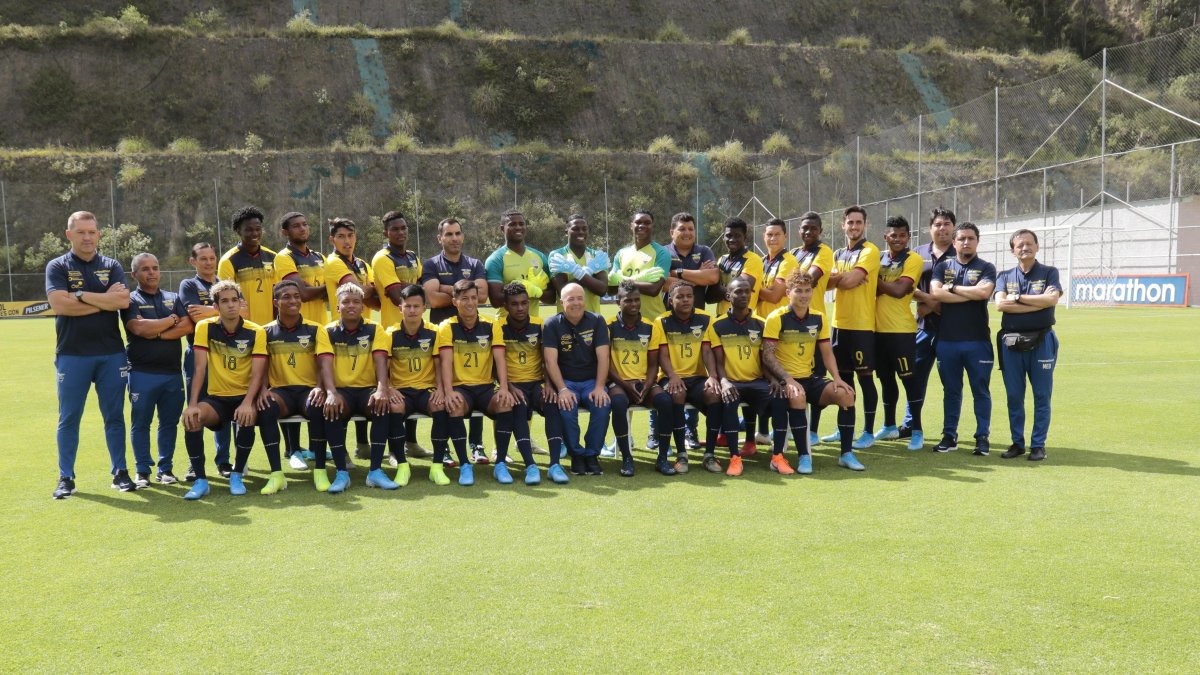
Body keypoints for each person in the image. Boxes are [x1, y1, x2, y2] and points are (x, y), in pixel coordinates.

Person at [45, 211, 133, 498]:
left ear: (98, 234)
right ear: (69, 234)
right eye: (80, 232)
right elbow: (60, 305)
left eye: (91, 232)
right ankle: (66, 477)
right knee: (69, 417)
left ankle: (120, 472)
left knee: (114, 416)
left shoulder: (111, 265)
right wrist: (103, 301)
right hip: (72, 354)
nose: (87, 237)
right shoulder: (57, 266)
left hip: (111, 355)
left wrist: (81, 295)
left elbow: (122, 300)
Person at [181, 280, 280, 499]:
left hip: (245, 396)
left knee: (246, 416)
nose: (231, 305)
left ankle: (236, 475)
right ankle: (201, 480)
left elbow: (257, 373)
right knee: (192, 419)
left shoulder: (256, 331)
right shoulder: (204, 327)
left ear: (241, 303)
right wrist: (192, 405)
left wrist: (248, 402)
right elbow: (199, 369)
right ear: (215, 306)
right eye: (224, 301)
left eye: (235, 300)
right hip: (217, 399)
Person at [761, 269, 858, 473]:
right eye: (798, 291)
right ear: (788, 293)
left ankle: (846, 454)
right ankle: (804, 456)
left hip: (809, 378)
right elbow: (767, 355)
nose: (804, 295)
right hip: (784, 380)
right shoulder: (776, 317)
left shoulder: (818, 317)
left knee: (847, 394)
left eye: (807, 290)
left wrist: (837, 378)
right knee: (797, 397)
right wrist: (787, 379)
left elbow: (827, 353)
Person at [421, 217, 490, 465]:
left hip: (473, 332)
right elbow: (433, 299)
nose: (454, 238)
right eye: (448, 234)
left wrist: (447, 288)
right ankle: (447, 448)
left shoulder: (475, 263)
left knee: (477, 379)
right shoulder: (430, 264)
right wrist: (462, 290)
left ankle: (477, 444)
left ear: (463, 236)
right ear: (440, 238)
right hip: (443, 333)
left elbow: (482, 295)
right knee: (448, 391)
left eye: (457, 233)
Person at [316, 283, 395, 493]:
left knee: (382, 405)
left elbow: (381, 361)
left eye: (356, 302)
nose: (351, 305)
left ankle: (376, 471)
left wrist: (381, 389)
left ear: (362, 307)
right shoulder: (327, 331)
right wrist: (331, 392)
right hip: (341, 390)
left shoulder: (374, 329)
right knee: (331, 408)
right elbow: (324, 364)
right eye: (346, 301)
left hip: (367, 389)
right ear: (338, 306)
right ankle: (342, 473)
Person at [434, 280, 516, 486]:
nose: (470, 303)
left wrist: (504, 388)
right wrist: (448, 391)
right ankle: (464, 465)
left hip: (486, 387)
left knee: (505, 402)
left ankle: (500, 465)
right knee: (454, 407)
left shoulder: (491, 324)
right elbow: (445, 362)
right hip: (461, 388)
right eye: (464, 299)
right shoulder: (447, 326)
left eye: (473, 298)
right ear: (455, 301)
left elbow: (500, 359)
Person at [122, 252, 192, 487]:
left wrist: (159, 331)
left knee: (169, 423)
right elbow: (139, 328)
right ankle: (142, 471)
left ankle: (166, 469)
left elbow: (187, 325)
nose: (151, 272)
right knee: (141, 423)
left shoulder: (173, 297)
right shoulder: (130, 300)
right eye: (145, 269)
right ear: (135, 274)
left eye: (155, 267)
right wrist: (171, 320)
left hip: (172, 373)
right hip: (141, 372)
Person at [711, 276, 790, 475]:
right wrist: (724, 381)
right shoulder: (717, 325)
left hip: (756, 382)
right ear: (728, 296)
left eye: (747, 291)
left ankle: (778, 456)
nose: (744, 295)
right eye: (738, 291)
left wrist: (773, 380)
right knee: (729, 402)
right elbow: (717, 361)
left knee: (780, 397)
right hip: (732, 383)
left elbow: (764, 358)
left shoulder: (761, 323)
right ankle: (734, 458)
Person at [929, 222, 997, 455]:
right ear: (954, 242)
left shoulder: (987, 267)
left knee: (981, 390)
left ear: (977, 241)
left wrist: (954, 289)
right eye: (962, 239)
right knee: (951, 391)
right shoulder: (943, 267)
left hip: (978, 341)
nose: (966, 242)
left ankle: (982, 437)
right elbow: (936, 293)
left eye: (971, 238)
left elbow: (984, 293)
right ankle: (949, 436)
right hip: (947, 341)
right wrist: (971, 294)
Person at [371, 211, 433, 461]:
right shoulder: (382, 259)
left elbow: (419, 290)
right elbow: (399, 296)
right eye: (395, 229)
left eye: (404, 228)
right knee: (394, 390)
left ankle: (411, 442)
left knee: (414, 383)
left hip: (416, 328)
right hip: (392, 330)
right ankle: (393, 448)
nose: (401, 232)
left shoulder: (412, 257)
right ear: (386, 233)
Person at [994, 229, 1061, 462]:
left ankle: (1038, 445)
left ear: (1037, 246)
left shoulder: (1049, 272)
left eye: (1029, 243)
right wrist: (1038, 303)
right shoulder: (1004, 276)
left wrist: (1018, 299)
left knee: (1042, 395)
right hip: (1011, 343)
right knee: (1014, 395)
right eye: (1020, 245)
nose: (1025, 248)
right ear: (1013, 250)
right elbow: (1000, 305)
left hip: (1042, 341)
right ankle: (1017, 443)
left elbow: (1051, 299)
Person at [655, 211, 718, 453]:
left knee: (695, 374)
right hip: (669, 322)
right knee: (667, 377)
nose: (687, 233)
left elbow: (712, 276)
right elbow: (663, 282)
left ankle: (691, 432)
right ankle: (656, 431)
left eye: (691, 228)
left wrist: (679, 274)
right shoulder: (663, 253)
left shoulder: (705, 251)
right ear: (672, 232)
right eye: (682, 229)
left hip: (697, 323)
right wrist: (697, 278)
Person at [822, 206, 880, 465]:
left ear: (864, 225)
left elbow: (843, 282)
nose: (854, 226)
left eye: (858, 222)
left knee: (865, 379)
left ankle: (868, 431)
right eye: (850, 222)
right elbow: (828, 282)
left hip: (861, 325)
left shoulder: (870, 251)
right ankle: (845, 430)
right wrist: (843, 278)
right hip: (838, 324)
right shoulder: (837, 253)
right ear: (842, 225)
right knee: (843, 381)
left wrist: (841, 278)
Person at [257, 280, 329, 488]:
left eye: (297, 296)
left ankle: (320, 472)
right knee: (266, 408)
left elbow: (324, 364)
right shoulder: (265, 332)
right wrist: (262, 390)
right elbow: (261, 365)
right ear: (275, 302)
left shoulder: (315, 329)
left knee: (317, 407)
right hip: (282, 393)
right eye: (286, 297)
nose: (293, 300)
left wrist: (319, 387)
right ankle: (276, 474)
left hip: (308, 391)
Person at [649, 282, 721, 475]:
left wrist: (713, 377)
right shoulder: (661, 321)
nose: (686, 300)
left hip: (697, 377)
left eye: (689, 296)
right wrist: (672, 376)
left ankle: (709, 454)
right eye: (680, 297)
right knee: (677, 393)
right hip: (669, 377)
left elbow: (707, 351)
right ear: (670, 300)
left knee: (714, 394)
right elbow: (662, 354)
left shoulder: (706, 318)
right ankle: (682, 453)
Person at [272, 211, 327, 463]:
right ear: (285, 232)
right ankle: (292, 448)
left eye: (305, 224)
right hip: (289, 326)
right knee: (287, 381)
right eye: (295, 226)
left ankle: (313, 448)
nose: (302, 229)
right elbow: (301, 293)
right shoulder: (284, 258)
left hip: (318, 327)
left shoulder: (319, 256)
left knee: (313, 388)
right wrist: (331, 287)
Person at [323, 217, 379, 462]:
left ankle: (363, 445)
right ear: (332, 239)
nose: (347, 241)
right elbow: (356, 290)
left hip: (364, 327)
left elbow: (375, 298)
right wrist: (365, 291)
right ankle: (341, 450)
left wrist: (367, 291)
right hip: (341, 328)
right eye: (341, 236)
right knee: (343, 386)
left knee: (363, 381)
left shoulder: (362, 263)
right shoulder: (333, 262)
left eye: (351, 235)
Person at [543, 283, 612, 478]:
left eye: (579, 298)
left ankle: (592, 454)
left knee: (603, 404)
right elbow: (550, 361)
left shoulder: (597, 321)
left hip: (591, 381)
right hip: (566, 382)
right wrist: (562, 389)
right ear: (561, 302)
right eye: (571, 299)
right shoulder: (551, 324)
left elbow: (603, 358)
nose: (576, 302)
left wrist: (599, 387)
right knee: (566, 408)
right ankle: (576, 454)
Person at [900, 208, 957, 440]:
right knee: (914, 377)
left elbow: (959, 290)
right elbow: (905, 285)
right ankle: (909, 424)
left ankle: (949, 431)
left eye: (946, 224)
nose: (942, 228)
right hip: (922, 327)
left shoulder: (960, 251)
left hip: (952, 328)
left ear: (953, 227)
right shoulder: (917, 253)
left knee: (950, 383)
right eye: (937, 224)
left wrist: (931, 304)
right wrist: (929, 302)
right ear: (930, 228)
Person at [179, 242, 233, 479]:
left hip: (225, 354)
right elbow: (193, 313)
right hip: (198, 352)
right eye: (203, 259)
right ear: (193, 262)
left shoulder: (225, 284)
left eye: (212, 258)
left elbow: (243, 311)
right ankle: (195, 463)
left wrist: (212, 311)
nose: (209, 263)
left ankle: (223, 461)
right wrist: (226, 311)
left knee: (224, 406)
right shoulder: (189, 284)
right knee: (196, 407)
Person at [385, 285, 448, 485]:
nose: (412, 310)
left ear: (424, 308)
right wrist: (388, 387)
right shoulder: (390, 333)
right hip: (400, 389)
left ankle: (437, 466)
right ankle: (402, 464)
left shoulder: (434, 332)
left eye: (416, 306)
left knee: (440, 405)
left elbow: (439, 364)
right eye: (408, 306)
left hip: (426, 389)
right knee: (394, 407)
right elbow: (383, 366)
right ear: (400, 308)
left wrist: (440, 389)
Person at [873, 217, 926, 451]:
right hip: (876, 330)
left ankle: (917, 430)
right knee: (885, 380)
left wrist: (874, 280)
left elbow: (900, 290)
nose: (898, 239)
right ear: (886, 236)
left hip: (901, 330)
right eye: (893, 235)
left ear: (909, 237)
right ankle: (889, 425)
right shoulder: (878, 259)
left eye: (902, 235)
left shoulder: (913, 259)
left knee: (908, 379)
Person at [496, 282, 554, 484]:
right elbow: (495, 363)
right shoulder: (498, 327)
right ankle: (530, 465)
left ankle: (555, 464)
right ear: (506, 306)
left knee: (552, 404)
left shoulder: (540, 324)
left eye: (524, 303)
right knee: (517, 405)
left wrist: (549, 385)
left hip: (536, 383)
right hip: (511, 384)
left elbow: (548, 359)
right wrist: (509, 386)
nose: (520, 308)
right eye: (514, 304)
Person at [605, 280, 665, 477]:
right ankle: (627, 458)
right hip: (619, 383)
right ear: (618, 302)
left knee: (664, 401)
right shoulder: (608, 326)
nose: (634, 304)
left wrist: (648, 385)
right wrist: (626, 385)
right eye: (628, 300)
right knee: (619, 402)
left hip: (643, 382)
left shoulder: (650, 326)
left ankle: (662, 457)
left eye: (637, 300)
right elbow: (606, 363)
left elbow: (653, 363)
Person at [790, 212, 835, 446]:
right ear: (799, 230)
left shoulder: (824, 251)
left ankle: (814, 430)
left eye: (813, 228)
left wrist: (791, 278)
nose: (808, 232)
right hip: (791, 324)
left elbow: (811, 279)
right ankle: (795, 425)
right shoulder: (795, 253)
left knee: (815, 377)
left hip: (814, 325)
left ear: (820, 231)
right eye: (805, 228)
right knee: (794, 375)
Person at [218, 206, 277, 326]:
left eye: (258, 229)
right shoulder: (228, 261)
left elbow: (277, 293)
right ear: (238, 231)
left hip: (271, 327)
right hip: (244, 329)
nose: (254, 233)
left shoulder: (273, 257)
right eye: (249, 229)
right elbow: (226, 298)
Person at [609, 209, 671, 322]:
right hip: (626, 323)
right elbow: (611, 289)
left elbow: (654, 290)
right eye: (638, 222)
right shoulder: (621, 254)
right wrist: (640, 280)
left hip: (654, 320)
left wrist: (623, 280)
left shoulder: (662, 253)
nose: (642, 225)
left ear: (652, 226)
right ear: (631, 226)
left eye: (647, 223)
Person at [485, 209, 553, 313]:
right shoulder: (495, 260)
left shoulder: (540, 257)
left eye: (522, 224)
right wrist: (524, 290)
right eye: (512, 224)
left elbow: (552, 297)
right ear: (502, 228)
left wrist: (537, 292)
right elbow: (496, 300)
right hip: (505, 326)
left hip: (534, 325)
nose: (518, 227)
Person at [549, 214, 609, 314]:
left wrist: (578, 273)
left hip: (593, 319)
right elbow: (562, 292)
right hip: (566, 320)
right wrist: (588, 273)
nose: (581, 232)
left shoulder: (597, 256)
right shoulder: (557, 255)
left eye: (584, 229)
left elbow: (602, 290)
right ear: (566, 231)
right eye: (575, 229)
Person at [709, 217, 764, 317]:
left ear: (745, 237)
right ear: (723, 237)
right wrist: (721, 291)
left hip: (742, 319)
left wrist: (717, 288)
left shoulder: (753, 259)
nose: (732, 240)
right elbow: (710, 296)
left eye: (737, 236)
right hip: (720, 318)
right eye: (728, 235)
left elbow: (740, 290)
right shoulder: (722, 259)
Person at [757, 218, 799, 318]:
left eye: (777, 234)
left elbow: (774, 296)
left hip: (780, 322)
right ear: (764, 237)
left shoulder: (789, 261)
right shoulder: (760, 261)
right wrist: (767, 290)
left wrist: (753, 289)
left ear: (785, 236)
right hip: (760, 322)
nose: (773, 238)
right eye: (770, 235)